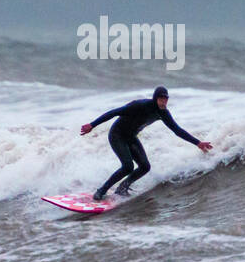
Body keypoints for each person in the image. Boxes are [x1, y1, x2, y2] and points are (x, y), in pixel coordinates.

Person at [81, 86, 212, 200]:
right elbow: (114, 112)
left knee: (145, 166)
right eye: (161, 98)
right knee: (127, 166)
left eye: (166, 99)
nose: (164, 101)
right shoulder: (139, 105)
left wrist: (198, 143)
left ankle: (122, 188)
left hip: (131, 136)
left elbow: (177, 130)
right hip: (117, 135)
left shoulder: (163, 113)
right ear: (155, 98)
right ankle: (101, 191)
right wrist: (92, 125)